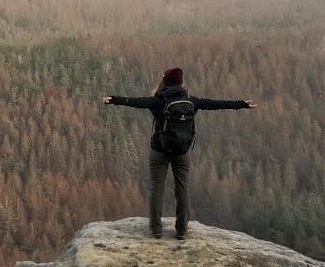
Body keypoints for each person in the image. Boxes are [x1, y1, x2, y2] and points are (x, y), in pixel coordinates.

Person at [102, 67, 256, 240]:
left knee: (156, 189)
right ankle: (181, 231)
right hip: (182, 152)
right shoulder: (192, 101)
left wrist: (113, 100)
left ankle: (156, 229)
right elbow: (217, 104)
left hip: (159, 150)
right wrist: (242, 104)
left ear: (165, 82)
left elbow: (136, 101)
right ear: (181, 82)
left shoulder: (159, 100)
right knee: (182, 190)